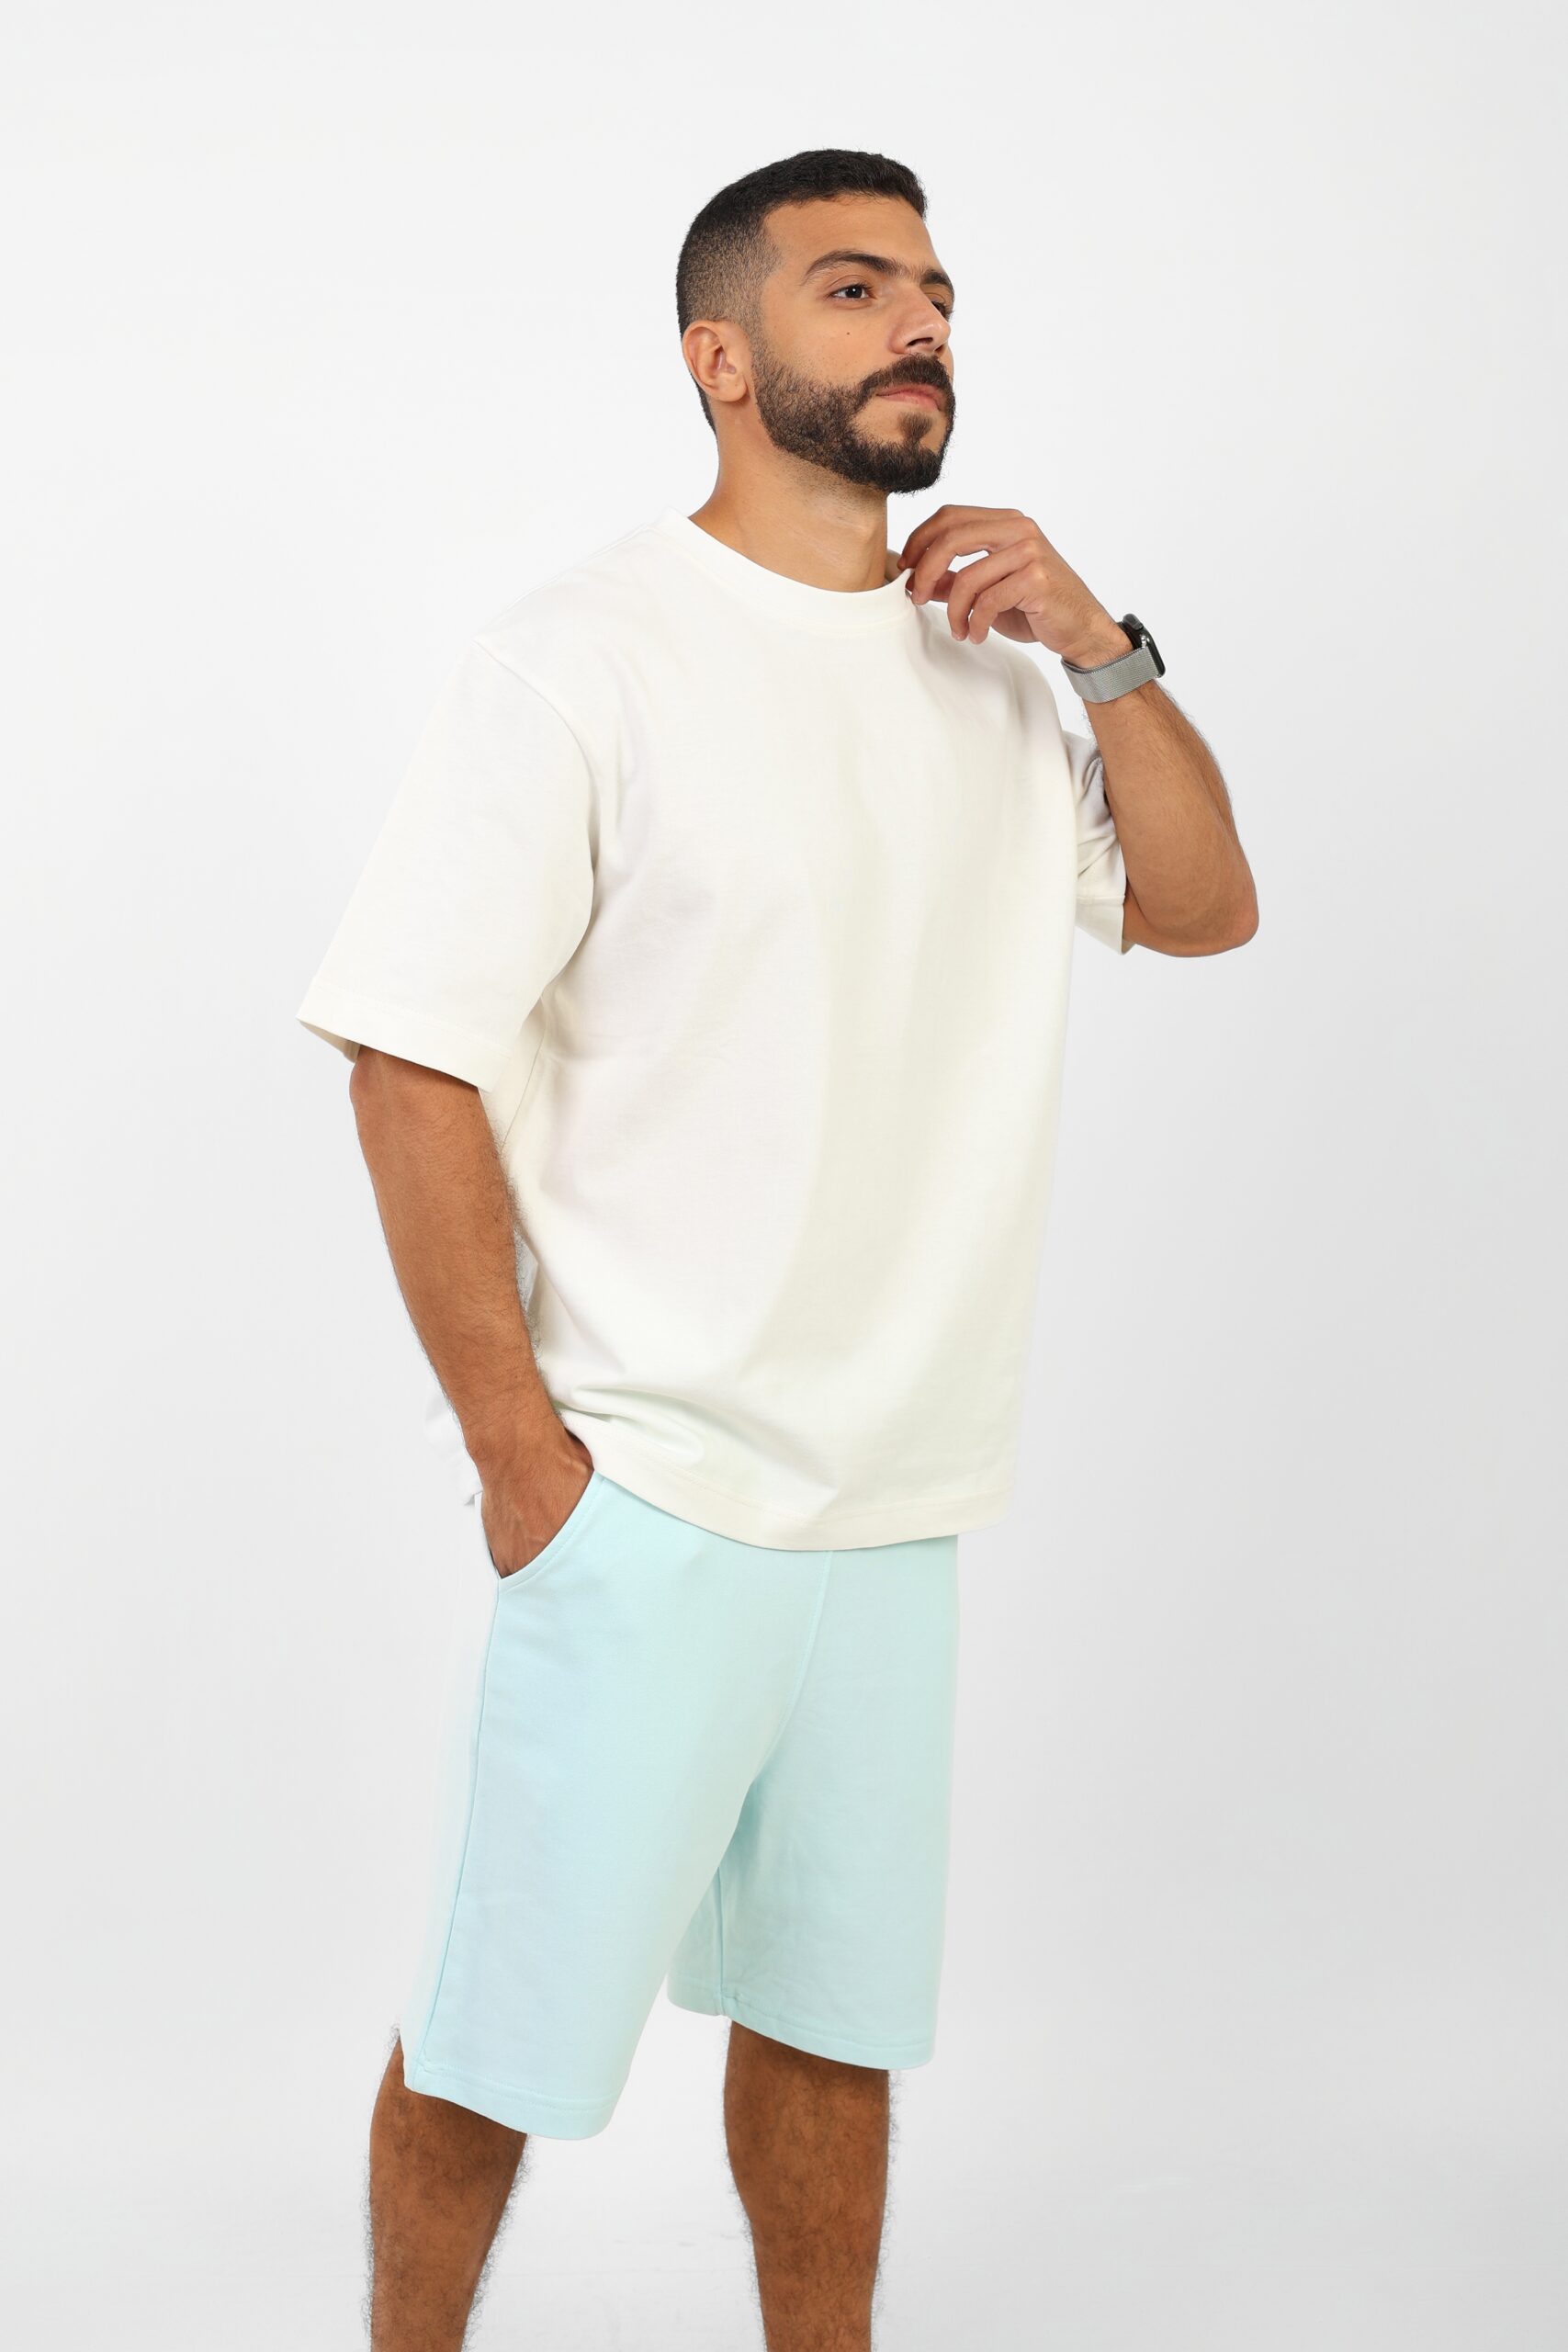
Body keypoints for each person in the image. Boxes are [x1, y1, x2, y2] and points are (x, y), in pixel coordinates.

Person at [296, 144, 1258, 2352]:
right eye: (852, 286)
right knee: (500, 2028)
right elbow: (407, 1061)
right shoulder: (580, 657)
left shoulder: (996, 673)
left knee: (833, 2029)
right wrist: (523, 1459)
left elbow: (1203, 907)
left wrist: (1101, 651)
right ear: (719, 360)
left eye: (932, 289)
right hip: (649, 1489)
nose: (918, 321)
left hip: (897, 1496)